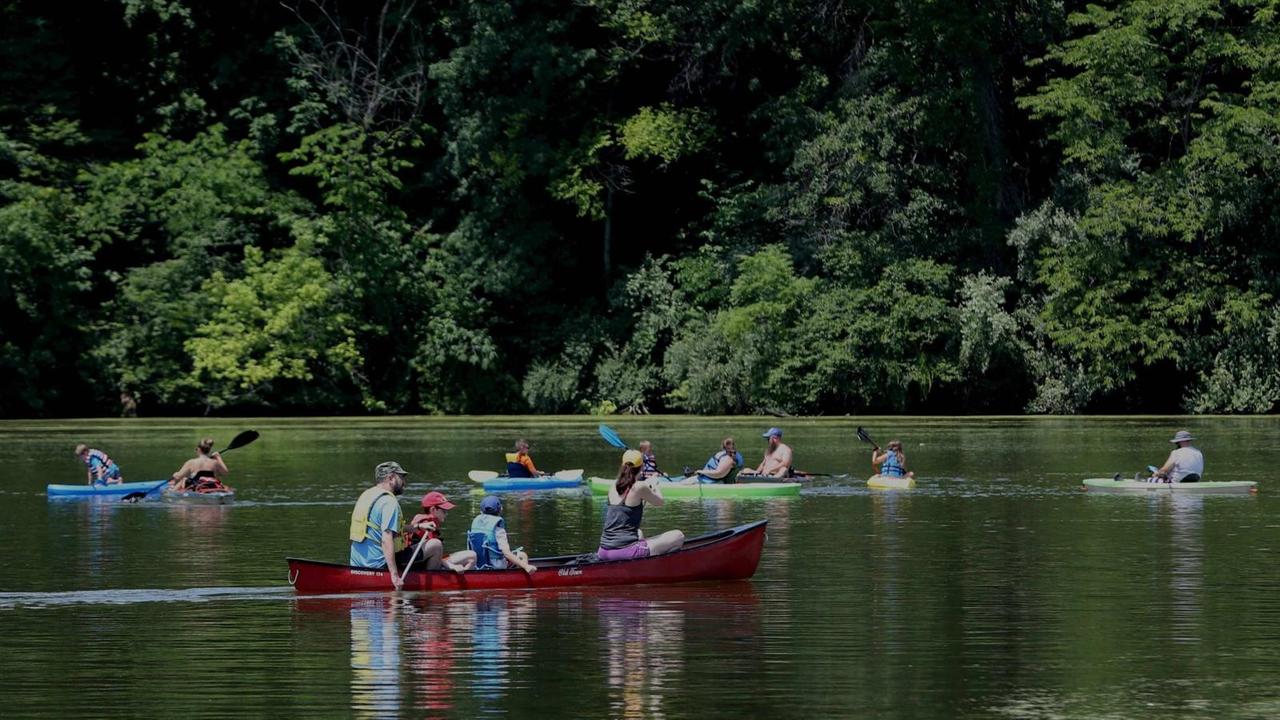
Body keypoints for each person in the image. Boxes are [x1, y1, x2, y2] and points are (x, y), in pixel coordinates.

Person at [597, 450, 685, 561]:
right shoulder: (639, 486)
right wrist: (655, 485)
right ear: (642, 467)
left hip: (603, 551)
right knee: (678, 536)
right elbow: (660, 502)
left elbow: (628, 511)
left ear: (622, 465)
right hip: (624, 551)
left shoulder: (613, 486)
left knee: (639, 533)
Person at [349, 461, 415, 589]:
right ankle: (428, 582)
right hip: (379, 565)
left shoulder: (367, 495)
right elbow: (386, 538)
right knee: (434, 546)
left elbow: (376, 527)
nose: (404, 483)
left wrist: (415, 527)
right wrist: (394, 576)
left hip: (357, 564)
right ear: (390, 478)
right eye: (401, 478)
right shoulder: (389, 502)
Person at [404, 491, 477, 574]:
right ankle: (454, 580)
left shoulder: (429, 521)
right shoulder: (427, 523)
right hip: (421, 564)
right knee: (471, 557)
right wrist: (452, 566)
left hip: (427, 559)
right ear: (433, 509)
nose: (446, 514)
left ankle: (462, 579)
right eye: (444, 511)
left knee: (472, 555)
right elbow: (434, 550)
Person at [468, 495, 536, 573]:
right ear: (500, 509)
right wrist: (526, 566)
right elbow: (506, 553)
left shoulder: (476, 521)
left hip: (478, 563)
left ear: (481, 511)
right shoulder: (498, 529)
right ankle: (522, 580)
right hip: (495, 565)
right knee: (522, 555)